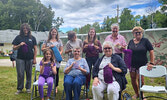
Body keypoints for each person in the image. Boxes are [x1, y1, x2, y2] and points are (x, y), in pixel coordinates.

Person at [127, 26, 154, 99]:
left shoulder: (145, 41)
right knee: (133, 79)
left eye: (139, 32)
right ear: (133, 34)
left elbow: (151, 51)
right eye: (136, 33)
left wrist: (151, 63)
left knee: (141, 80)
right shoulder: (130, 42)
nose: (138, 34)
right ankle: (136, 93)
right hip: (132, 64)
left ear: (142, 33)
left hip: (142, 64)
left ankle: (142, 94)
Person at [12, 23, 37, 94]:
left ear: (29, 29)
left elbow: (35, 49)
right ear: (22, 30)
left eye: (26, 28)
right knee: (20, 74)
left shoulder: (32, 38)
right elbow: (14, 47)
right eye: (24, 28)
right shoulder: (18, 37)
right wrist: (19, 45)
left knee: (29, 73)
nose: (25, 30)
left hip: (30, 58)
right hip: (20, 58)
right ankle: (19, 88)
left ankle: (28, 88)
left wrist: (34, 59)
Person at [41, 27, 63, 93]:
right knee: (48, 72)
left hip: (56, 60)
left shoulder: (59, 41)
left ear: (57, 33)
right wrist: (49, 47)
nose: (54, 33)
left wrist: (58, 55)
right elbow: (42, 49)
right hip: (48, 59)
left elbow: (61, 50)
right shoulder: (46, 41)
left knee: (56, 73)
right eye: (52, 32)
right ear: (50, 32)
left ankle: (55, 87)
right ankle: (49, 86)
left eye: (55, 32)